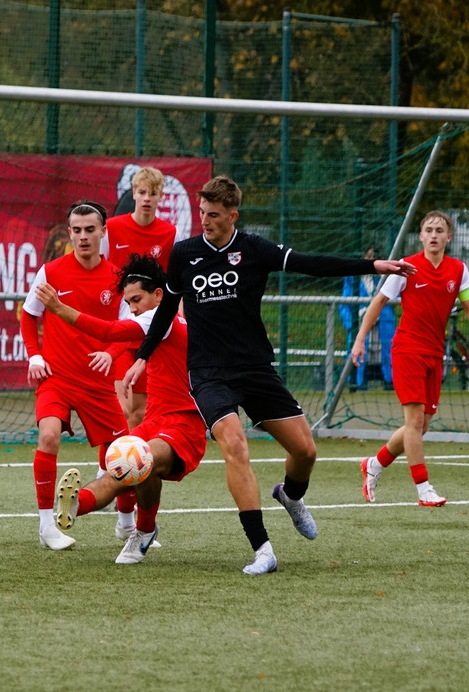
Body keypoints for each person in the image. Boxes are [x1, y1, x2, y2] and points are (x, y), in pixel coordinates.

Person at [125, 175, 416, 575]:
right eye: (202, 212)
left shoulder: (254, 249)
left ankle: (291, 496)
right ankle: (262, 549)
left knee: (306, 451)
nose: (205, 220)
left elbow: (311, 264)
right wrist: (142, 356)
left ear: (233, 215)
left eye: (213, 215)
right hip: (208, 373)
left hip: (254, 367)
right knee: (235, 445)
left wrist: (372, 265)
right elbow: (166, 310)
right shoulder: (184, 254)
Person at [35, 254, 206, 565]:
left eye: (136, 300)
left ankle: (143, 530)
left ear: (159, 295)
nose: (133, 308)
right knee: (119, 470)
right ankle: (75, 506)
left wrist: (58, 308)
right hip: (155, 421)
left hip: (184, 424)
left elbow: (108, 331)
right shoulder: (166, 322)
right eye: (127, 302)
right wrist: (139, 361)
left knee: (140, 459)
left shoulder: (161, 317)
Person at [354, 211, 469, 507]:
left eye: (439, 230)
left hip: (434, 353)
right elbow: (378, 302)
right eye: (428, 229)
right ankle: (423, 488)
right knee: (415, 421)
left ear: (448, 237)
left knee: (421, 425)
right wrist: (359, 340)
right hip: (407, 350)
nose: (433, 234)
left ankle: (374, 464)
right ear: (420, 236)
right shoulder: (406, 267)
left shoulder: (458, 270)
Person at [20, 199, 128, 551]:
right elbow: (29, 314)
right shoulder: (50, 271)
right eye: (77, 230)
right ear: (69, 233)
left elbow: (128, 330)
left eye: (90, 230)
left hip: (98, 383)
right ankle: (46, 525)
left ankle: (127, 524)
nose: (83, 237)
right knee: (49, 436)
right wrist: (35, 355)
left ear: (103, 232)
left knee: (123, 453)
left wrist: (111, 354)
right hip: (57, 377)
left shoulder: (118, 278)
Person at [101, 166, 176, 430]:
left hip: (149, 330)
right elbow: (100, 270)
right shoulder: (111, 228)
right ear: (133, 193)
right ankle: (113, 456)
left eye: (152, 193)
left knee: (140, 410)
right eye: (142, 192)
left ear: (160, 197)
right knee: (121, 407)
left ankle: (134, 455)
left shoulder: (170, 233)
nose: (146, 198)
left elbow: (173, 285)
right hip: (119, 329)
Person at [340, 246, 395, 391]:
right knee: (359, 354)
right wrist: (353, 323)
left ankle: (389, 380)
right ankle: (358, 382)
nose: (371, 259)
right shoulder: (352, 279)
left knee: (387, 352)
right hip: (362, 325)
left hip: (383, 325)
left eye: (373, 256)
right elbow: (344, 305)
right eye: (368, 256)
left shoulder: (384, 278)